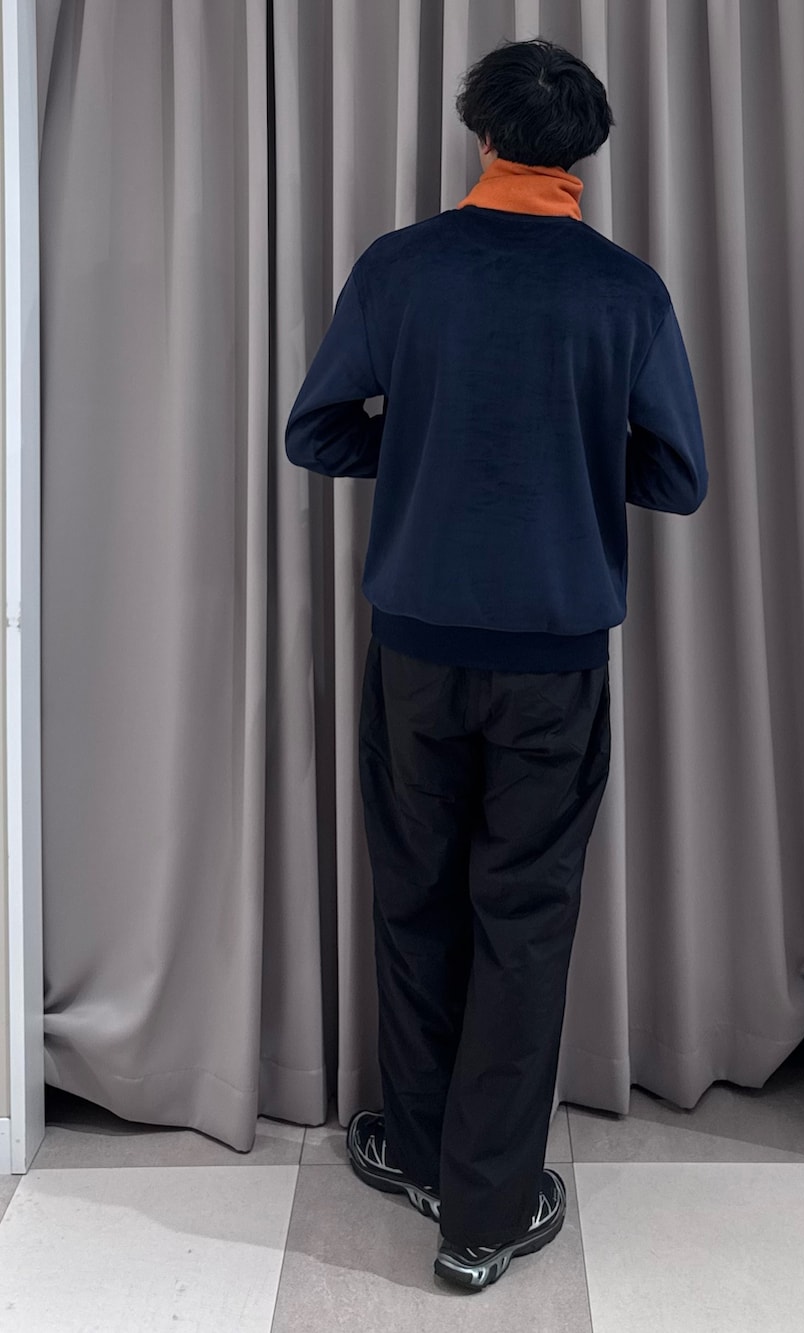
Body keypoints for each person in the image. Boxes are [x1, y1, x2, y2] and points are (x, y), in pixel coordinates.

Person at [284, 36, 707, 1291]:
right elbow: (677, 475)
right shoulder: (625, 290)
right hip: (554, 661)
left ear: (479, 134)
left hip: (417, 648)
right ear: (585, 151)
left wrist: (427, 444)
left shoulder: (400, 268)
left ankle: (417, 1147)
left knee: (414, 894)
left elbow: (317, 431)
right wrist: (565, 459)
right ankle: (484, 1212)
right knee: (525, 920)